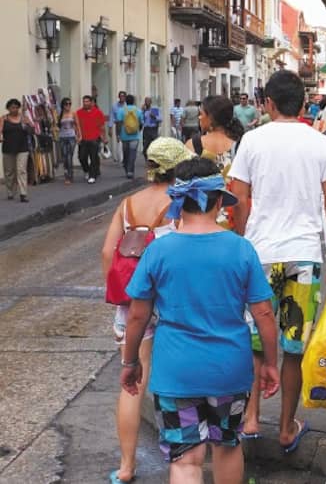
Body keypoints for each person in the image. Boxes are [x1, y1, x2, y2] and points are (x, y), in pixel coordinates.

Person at [120, 156, 280, 484]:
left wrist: (130, 361)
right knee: (227, 446)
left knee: (186, 458)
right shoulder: (241, 249)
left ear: (178, 201)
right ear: (220, 201)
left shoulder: (159, 251)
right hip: (229, 369)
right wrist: (270, 363)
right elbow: (263, 313)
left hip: (176, 371)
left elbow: (138, 314)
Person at [228, 69, 326, 448]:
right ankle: (285, 428)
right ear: (303, 103)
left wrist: (240, 243)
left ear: (266, 103)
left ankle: (249, 420)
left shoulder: (251, 141)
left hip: (259, 256)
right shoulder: (319, 144)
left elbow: (238, 200)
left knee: (253, 344)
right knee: (294, 348)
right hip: (303, 258)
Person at [101, 137, 194, 484]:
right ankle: (185, 458)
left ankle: (126, 467)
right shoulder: (182, 204)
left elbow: (108, 253)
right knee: (177, 380)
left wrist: (119, 294)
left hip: (132, 302)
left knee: (131, 381)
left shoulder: (128, 205)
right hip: (172, 302)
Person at [186, 95, 244, 173]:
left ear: (210, 117)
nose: (199, 117)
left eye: (201, 114)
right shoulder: (240, 144)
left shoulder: (193, 144)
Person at [1, 98, 34, 202]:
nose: (14, 110)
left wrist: (29, 124)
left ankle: (23, 194)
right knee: (9, 172)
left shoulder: (24, 118)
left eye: (16, 107)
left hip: (22, 148)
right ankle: (10, 191)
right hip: (8, 148)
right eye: (12, 108)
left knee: (21, 170)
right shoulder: (3, 119)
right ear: (8, 108)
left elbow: (31, 131)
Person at [76, 95, 107, 184]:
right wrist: (77, 136)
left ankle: (92, 175)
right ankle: (87, 170)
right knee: (82, 157)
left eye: (87, 101)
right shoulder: (79, 113)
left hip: (94, 138)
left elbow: (102, 127)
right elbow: (76, 126)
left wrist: (104, 138)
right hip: (83, 139)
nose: (85, 103)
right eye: (84, 102)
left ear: (91, 102)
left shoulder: (98, 112)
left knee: (93, 158)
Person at [116, 95, 144, 179]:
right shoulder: (138, 111)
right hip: (135, 136)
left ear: (126, 101)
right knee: (132, 153)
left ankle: (126, 168)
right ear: (134, 101)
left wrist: (118, 133)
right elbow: (141, 123)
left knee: (126, 153)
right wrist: (138, 130)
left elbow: (119, 123)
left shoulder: (121, 110)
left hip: (124, 136)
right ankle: (130, 171)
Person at [57, 98, 81, 185]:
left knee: (69, 156)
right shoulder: (60, 115)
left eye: (69, 104)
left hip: (71, 137)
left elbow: (77, 125)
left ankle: (69, 176)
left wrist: (79, 135)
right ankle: (67, 174)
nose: (68, 106)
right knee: (64, 157)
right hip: (62, 137)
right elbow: (57, 126)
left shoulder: (73, 113)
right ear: (63, 105)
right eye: (66, 104)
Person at [109, 91, 127, 163]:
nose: (122, 98)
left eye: (123, 96)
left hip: (126, 125)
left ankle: (125, 157)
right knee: (119, 141)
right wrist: (110, 127)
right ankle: (121, 158)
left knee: (126, 142)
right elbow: (111, 117)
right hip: (119, 125)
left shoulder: (127, 106)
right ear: (118, 97)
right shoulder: (115, 106)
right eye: (121, 96)